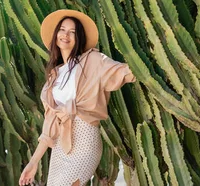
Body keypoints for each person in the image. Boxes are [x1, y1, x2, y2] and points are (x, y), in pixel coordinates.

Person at [18, 9, 136, 186]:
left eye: (72, 32)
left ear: (79, 37)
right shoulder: (54, 76)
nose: (66, 35)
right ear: (56, 33)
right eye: (62, 29)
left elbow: (123, 72)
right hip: (60, 146)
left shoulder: (93, 60)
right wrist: (33, 162)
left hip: (85, 140)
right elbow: (49, 125)